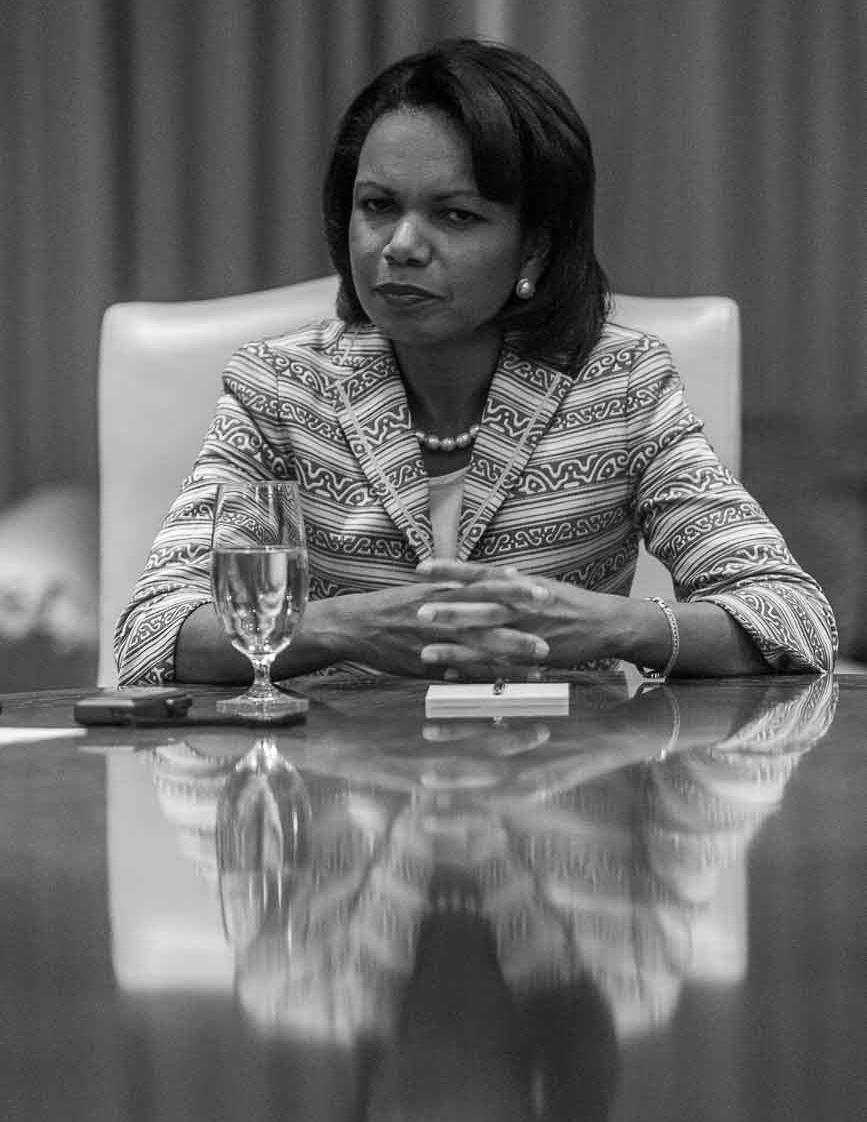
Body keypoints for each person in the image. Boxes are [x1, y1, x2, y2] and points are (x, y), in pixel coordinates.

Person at [115, 38, 837, 687]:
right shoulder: (281, 388)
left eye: (455, 215)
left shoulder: (619, 385)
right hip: (340, 804)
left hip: (565, 795)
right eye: (376, 205)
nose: (400, 244)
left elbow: (792, 615)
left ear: (534, 248)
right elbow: (154, 634)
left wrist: (612, 628)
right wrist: (346, 629)